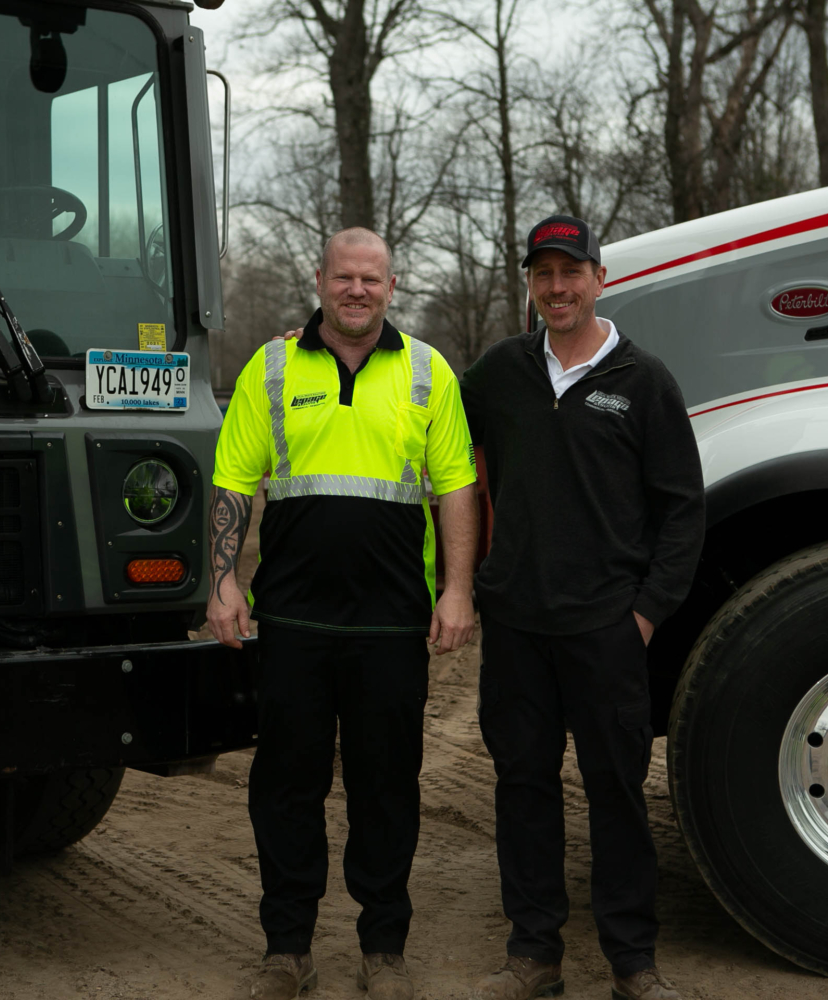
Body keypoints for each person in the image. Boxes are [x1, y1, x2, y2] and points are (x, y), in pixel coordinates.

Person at [206, 227, 478, 1000]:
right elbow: (233, 481)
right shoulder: (271, 367)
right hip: (292, 621)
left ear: (392, 286)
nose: (357, 290)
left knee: (385, 788)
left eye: (371, 278)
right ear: (320, 280)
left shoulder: (428, 371)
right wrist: (222, 581)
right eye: (343, 277)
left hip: (392, 623)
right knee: (285, 786)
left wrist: (458, 590)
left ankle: (384, 949)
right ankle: (286, 950)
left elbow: (457, 487)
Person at [460, 216, 705, 1000]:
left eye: (571, 272)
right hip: (517, 626)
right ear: (530, 285)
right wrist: (327, 343)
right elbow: (423, 425)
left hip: (607, 628)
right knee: (523, 788)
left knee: (617, 795)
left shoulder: (643, 381)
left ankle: (633, 962)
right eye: (543, 274)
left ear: (601, 278)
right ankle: (534, 955)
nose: (557, 288)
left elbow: (682, 509)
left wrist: (645, 615)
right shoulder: (500, 372)